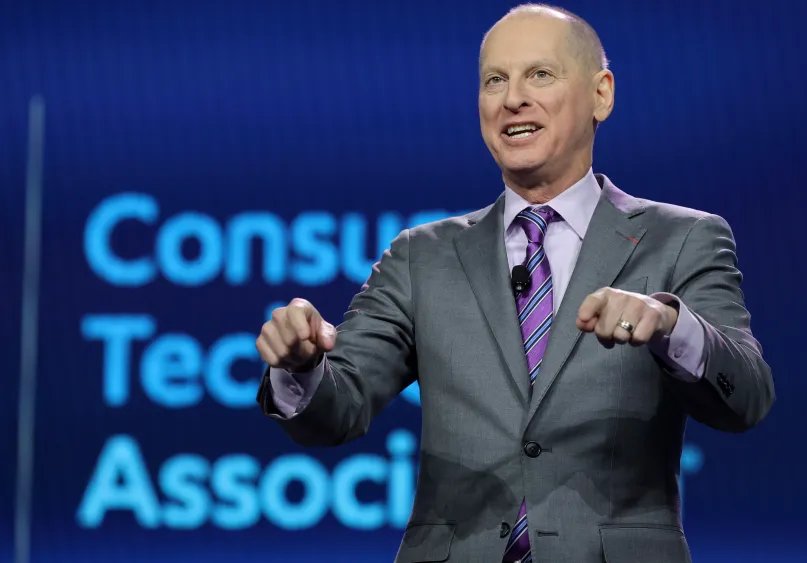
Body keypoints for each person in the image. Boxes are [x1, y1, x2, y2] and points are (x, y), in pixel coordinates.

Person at [255, 4, 774, 562]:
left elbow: (746, 396)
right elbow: (338, 408)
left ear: (601, 94)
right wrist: (301, 367)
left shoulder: (682, 238)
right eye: (494, 81)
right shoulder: (421, 256)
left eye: (540, 75)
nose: (513, 99)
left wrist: (671, 326)